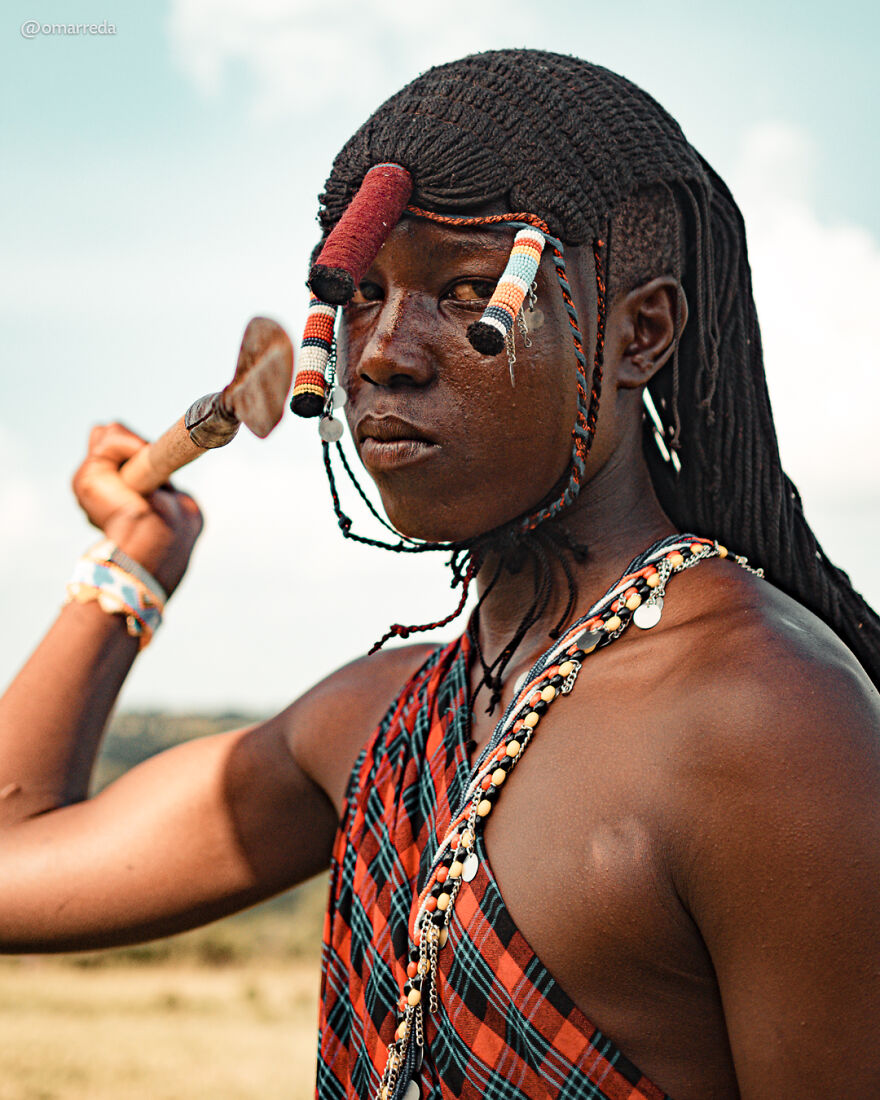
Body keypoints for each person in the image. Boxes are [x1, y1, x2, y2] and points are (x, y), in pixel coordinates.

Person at [1, 48, 878, 1100]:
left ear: (637, 333)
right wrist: (133, 561)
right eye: (362, 296)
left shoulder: (765, 720)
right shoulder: (374, 722)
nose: (382, 353)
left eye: (468, 291)